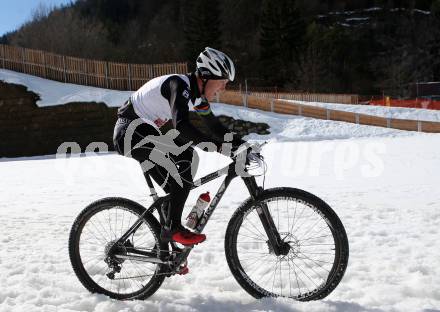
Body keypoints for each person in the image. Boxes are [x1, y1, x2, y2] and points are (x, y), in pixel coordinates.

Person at [113, 47, 244, 246]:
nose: (223, 88)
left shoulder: (198, 97)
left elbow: (215, 126)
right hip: (129, 131)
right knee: (185, 157)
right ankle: (174, 228)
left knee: (174, 193)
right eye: (223, 82)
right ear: (207, 77)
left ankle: (166, 252)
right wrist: (217, 147)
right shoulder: (179, 84)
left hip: (143, 134)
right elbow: (181, 126)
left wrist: (242, 145)